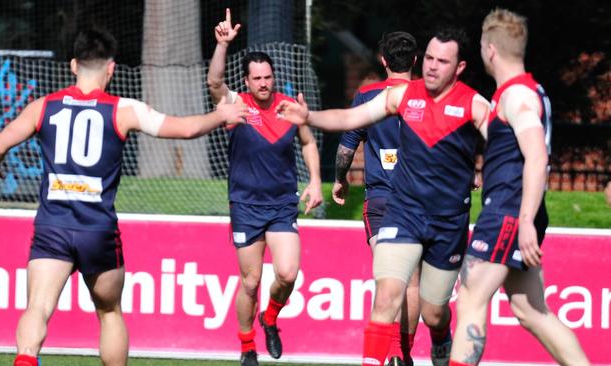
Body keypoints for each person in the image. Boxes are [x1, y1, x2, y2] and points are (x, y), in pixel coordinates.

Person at [0, 29, 248, 366]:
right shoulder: (123, 110)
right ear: (112, 69)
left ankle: (26, 359)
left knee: (37, 307)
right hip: (98, 231)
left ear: (74, 66)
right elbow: (186, 129)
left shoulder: (43, 107)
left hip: (53, 226)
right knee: (109, 311)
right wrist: (221, 115)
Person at [277, 27, 490, 366]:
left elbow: (504, 147)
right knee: (387, 295)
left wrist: (484, 175)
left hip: (446, 221)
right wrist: (310, 117)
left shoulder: (475, 104)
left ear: (459, 67)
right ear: (422, 60)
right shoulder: (403, 96)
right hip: (402, 212)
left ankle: (439, 337)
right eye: (430, 58)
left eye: (443, 61)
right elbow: (350, 118)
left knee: (435, 312)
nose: (434, 66)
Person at [448, 9, 590, 366]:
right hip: (517, 211)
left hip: (509, 212)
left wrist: (525, 220)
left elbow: (537, 156)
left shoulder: (517, 96)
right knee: (530, 310)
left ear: (490, 49)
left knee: (470, 297)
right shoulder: (524, 92)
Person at [206, 9, 323, 366]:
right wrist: (222, 45)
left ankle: (270, 317)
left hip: (282, 205)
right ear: (247, 79)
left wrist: (316, 179)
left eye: (268, 77)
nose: (263, 83)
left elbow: (307, 141)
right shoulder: (236, 103)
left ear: (274, 77)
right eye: (256, 78)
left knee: (287, 273)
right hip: (245, 205)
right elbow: (213, 83)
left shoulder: (288, 107)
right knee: (251, 281)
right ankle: (246, 346)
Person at [333, 31, 421, 366]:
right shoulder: (429, 96)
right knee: (411, 283)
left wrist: (340, 180)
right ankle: (404, 354)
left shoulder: (367, 96)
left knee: (388, 279)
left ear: (383, 61)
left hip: (382, 201)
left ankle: (390, 355)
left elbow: (347, 146)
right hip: (420, 202)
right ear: (414, 61)